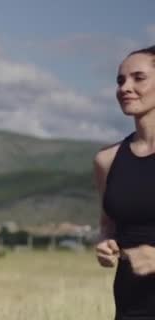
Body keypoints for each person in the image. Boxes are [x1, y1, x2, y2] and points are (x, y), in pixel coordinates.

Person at [94, 45, 155, 319]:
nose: (125, 87)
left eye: (138, 78)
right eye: (120, 80)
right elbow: (109, 224)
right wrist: (106, 243)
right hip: (131, 307)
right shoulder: (107, 160)